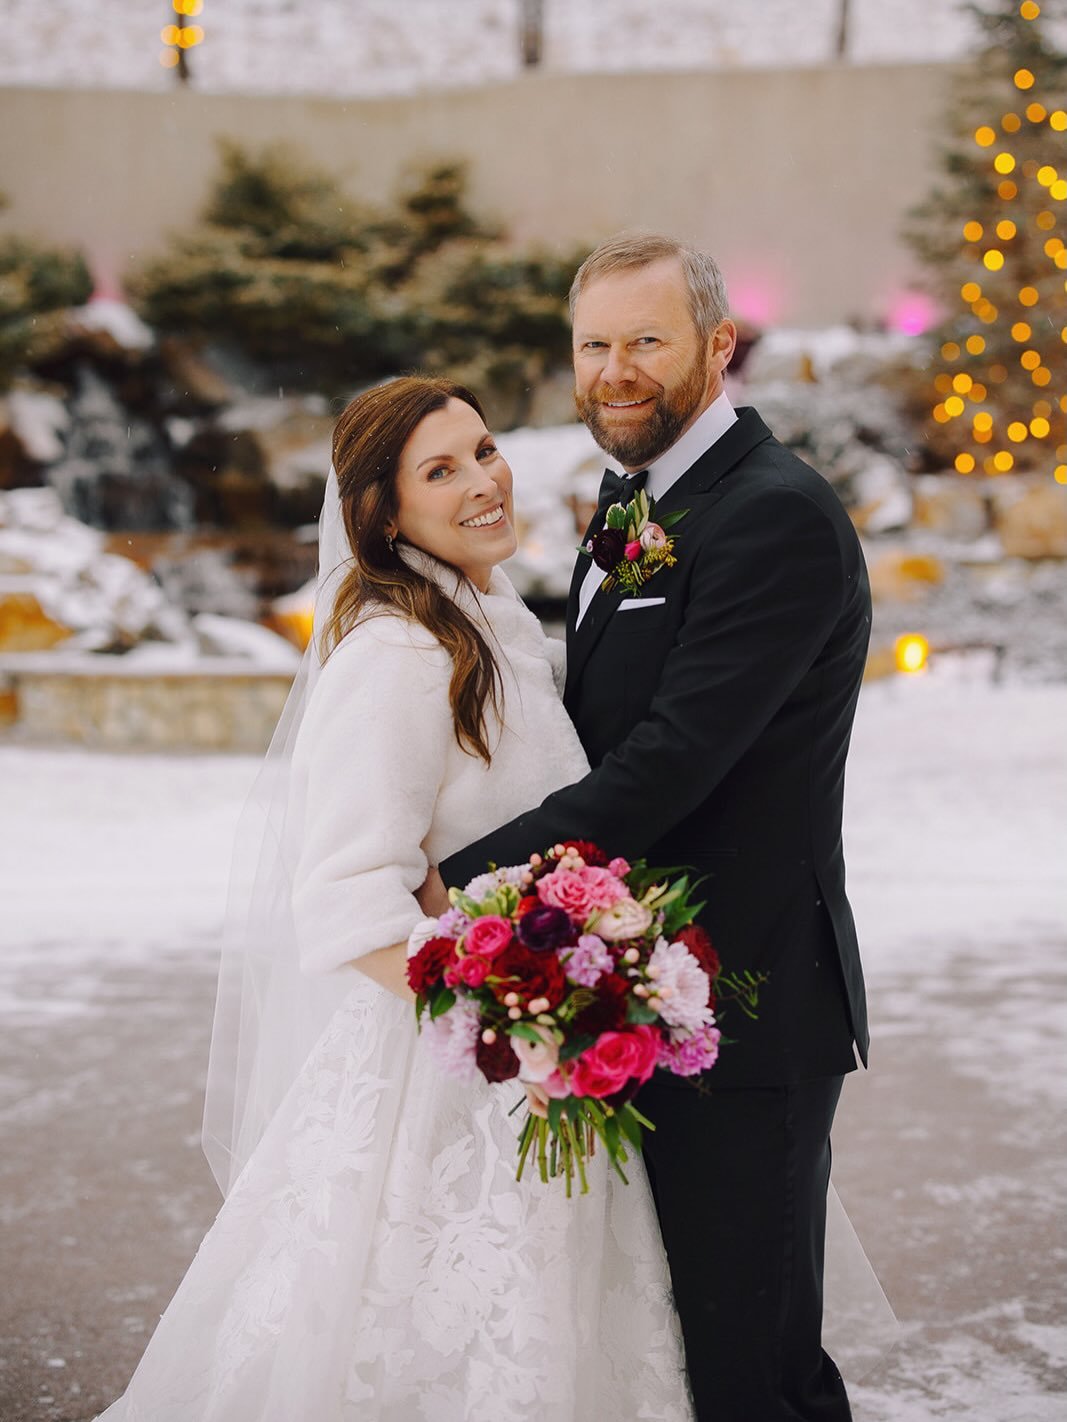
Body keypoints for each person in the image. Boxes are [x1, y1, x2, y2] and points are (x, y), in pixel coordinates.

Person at [95, 376, 693, 1421]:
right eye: (440, 469)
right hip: (452, 1081)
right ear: (382, 512)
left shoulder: (488, 618)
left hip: (530, 1071)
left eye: (485, 449)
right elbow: (342, 899)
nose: (483, 481)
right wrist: (517, 1007)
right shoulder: (398, 654)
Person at [429, 234, 874, 1421]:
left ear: (717, 346)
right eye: (593, 345)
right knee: (674, 1348)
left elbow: (668, 762)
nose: (614, 369)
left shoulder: (771, 516)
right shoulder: (637, 498)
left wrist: (458, 880)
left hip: (745, 1001)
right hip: (632, 988)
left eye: (645, 341)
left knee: (752, 1367)